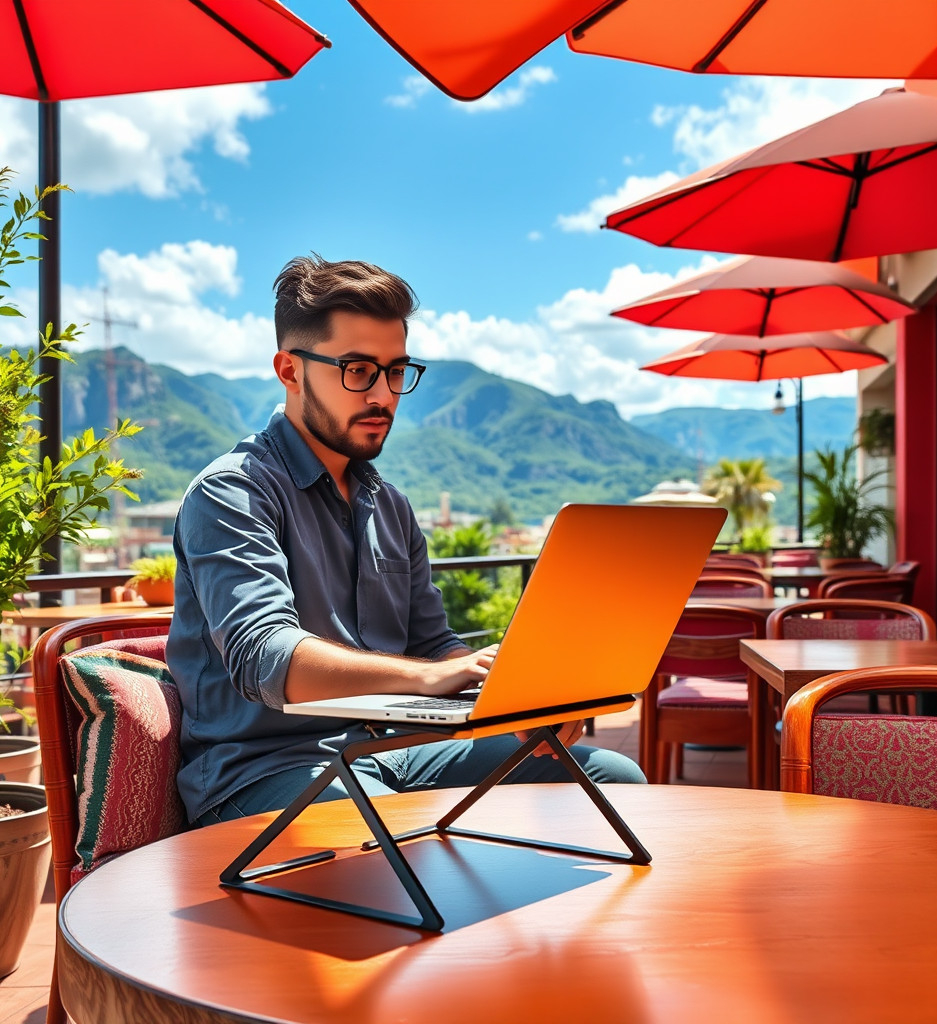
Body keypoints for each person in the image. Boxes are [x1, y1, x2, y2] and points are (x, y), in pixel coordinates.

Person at [166, 255, 645, 827]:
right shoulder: (232, 493)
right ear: (290, 370)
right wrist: (429, 676)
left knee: (611, 778)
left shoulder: (388, 504)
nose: (384, 395)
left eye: (395, 372)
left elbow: (435, 643)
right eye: (358, 370)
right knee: (390, 835)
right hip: (265, 769)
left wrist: (509, 698)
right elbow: (267, 658)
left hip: (394, 751)